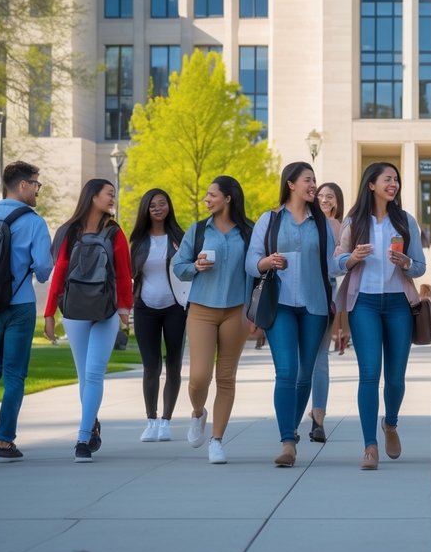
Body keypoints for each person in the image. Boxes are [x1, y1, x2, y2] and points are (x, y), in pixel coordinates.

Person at [336, 163, 427, 470]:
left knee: (396, 378)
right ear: (371, 184)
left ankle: (390, 423)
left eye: (396, 179)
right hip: (364, 304)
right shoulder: (354, 221)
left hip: (399, 304)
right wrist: (351, 258)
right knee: (369, 373)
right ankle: (369, 446)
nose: (394, 184)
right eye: (387, 179)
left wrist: (406, 262)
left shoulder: (405, 220)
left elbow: (420, 267)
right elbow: (336, 262)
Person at [247, 162, 336, 468]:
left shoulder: (320, 223)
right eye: (308, 180)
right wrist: (267, 262)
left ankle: (292, 429)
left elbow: (331, 265)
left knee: (304, 374)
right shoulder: (270, 219)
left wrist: (352, 260)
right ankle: (288, 442)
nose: (313, 185)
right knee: (286, 371)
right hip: (280, 304)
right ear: (291, 184)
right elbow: (250, 262)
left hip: (315, 306)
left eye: (314, 179)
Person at [0, 161, 54, 466]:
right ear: (22, 185)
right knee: (14, 374)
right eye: (36, 184)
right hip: (19, 304)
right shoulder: (34, 222)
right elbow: (43, 268)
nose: (37, 190)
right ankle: (4, 441)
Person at [43, 178, 133, 463]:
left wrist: (125, 308)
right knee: (84, 376)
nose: (113, 199)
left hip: (106, 311)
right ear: (93, 196)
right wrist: (49, 313)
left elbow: (123, 272)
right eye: (109, 194)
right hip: (74, 311)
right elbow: (60, 272)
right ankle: (91, 425)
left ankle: (82, 439)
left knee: (94, 373)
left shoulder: (114, 232)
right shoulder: (70, 232)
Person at [171, 176, 255, 464]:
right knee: (199, 377)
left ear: (228, 198)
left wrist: (253, 313)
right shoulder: (197, 230)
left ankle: (217, 440)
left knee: (226, 377)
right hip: (202, 310)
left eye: (212, 195)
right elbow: (178, 267)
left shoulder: (248, 232)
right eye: (206, 195)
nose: (207, 199)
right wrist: (195, 266)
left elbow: (256, 271)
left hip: (236, 310)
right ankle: (198, 413)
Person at [129, 189, 188, 442]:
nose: (157, 208)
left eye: (162, 203)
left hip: (175, 307)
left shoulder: (180, 238)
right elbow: (129, 273)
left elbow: (189, 269)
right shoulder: (138, 241)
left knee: (174, 365)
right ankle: (151, 421)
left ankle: (166, 421)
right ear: (146, 209)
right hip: (145, 308)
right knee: (151, 366)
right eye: (152, 205)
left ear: (169, 206)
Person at [306, 181, 347, 442]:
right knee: (311, 361)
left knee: (318, 359)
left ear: (337, 202)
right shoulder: (308, 222)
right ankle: (313, 415)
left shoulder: (337, 227)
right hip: (306, 296)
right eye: (320, 195)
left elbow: (341, 268)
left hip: (325, 296)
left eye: (330, 196)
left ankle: (317, 417)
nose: (324, 200)